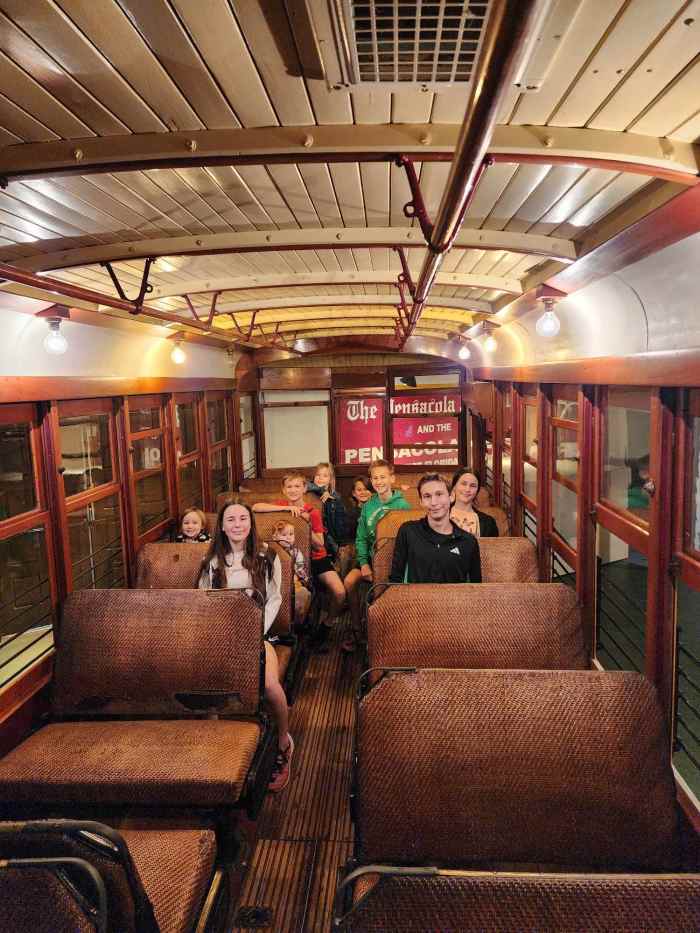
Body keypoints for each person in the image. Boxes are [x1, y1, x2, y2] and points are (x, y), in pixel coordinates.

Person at [198, 498, 293, 793]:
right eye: (231, 520)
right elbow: (203, 601)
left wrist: (253, 633)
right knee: (208, 688)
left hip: (257, 634)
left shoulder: (268, 556)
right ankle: (215, 747)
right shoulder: (211, 561)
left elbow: (275, 598)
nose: (237, 525)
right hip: (220, 636)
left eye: (242, 519)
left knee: (269, 687)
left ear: (250, 523)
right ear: (222, 527)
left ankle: (283, 742)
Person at [253, 472, 346, 650]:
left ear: (304, 488)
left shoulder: (313, 512)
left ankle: (326, 625)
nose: (293, 490)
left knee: (340, 592)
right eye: (289, 487)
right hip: (288, 557)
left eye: (297, 486)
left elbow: (319, 544)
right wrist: (286, 510)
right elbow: (256, 507)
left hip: (315, 558)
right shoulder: (281, 505)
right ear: (283, 490)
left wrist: (305, 524)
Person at [343, 460, 410, 652]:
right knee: (349, 581)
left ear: (392, 478)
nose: (379, 481)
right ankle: (358, 629)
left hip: (393, 562)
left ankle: (386, 632)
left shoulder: (402, 505)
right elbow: (361, 537)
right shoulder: (368, 505)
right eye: (375, 478)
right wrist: (364, 563)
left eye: (382, 477)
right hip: (372, 560)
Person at [389, 473, 482, 584]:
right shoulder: (408, 531)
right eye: (427, 496)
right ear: (421, 501)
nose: (434, 502)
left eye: (439, 494)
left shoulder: (468, 541)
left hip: (454, 601)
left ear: (451, 496)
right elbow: (395, 580)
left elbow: (476, 588)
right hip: (415, 600)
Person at [271, 519, 312, 625]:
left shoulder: (296, 553)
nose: (288, 537)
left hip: (294, 585)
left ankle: (295, 624)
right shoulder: (271, 553)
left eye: (291, 534)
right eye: (284, 535)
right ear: (274, 537)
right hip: (275, 586)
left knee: (302, 595)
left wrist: (299, 576)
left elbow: (302, 571)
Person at [306, 462, 348, 560]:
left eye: (325, 476)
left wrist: (341, 544)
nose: (320, 478)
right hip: (315, 535)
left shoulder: (335, 497)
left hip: (330, 538)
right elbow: (305, 485)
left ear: (330, 480)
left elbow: (340, 524)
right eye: (318, 475)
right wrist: (322, 491)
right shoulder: (310, 491)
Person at [449, 468, 499, 538]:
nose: (467, 489)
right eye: (463, 484)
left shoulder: (488, 522)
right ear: (454, 487)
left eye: (473, 486)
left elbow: (495, 547)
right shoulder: (438, 516)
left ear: (477, 491)